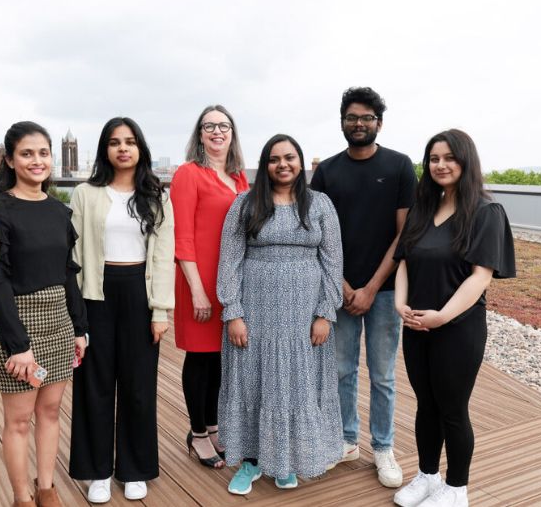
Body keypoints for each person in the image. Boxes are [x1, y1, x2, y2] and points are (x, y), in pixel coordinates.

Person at [392, 129, 515, 507]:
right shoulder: (423, 209)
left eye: (449, 157)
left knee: (452, 410)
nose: (440, 165)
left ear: (466, 161)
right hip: (416, 326)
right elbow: (404, 262)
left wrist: (442, 317)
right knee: (425, 405)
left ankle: (456, 489)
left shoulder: (485, 211)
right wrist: (400, 305)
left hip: (458, 329)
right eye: (433, 158)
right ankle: (428, 477)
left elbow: (481, 276)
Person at [217, 134, 344, 495]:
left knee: (296, 386)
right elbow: (229, 260)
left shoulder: (320, 205)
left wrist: (325, 312)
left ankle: (286, 461)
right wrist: (233, 312)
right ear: (265, 164)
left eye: (289, 157)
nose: (282, 164)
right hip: (254, 314)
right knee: (254, 384)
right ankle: (251, 461)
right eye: (274, 159)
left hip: (304, 318)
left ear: (300, 162)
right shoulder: (245, 204)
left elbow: (333, 260)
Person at [0, 121, 88, 507]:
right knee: (19, 420)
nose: (37, 161)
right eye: (26, 153)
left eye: (43, 153)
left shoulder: (58, 211)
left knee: (51, 411)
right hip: (16, 324)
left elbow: (68, 272)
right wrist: (18, 345)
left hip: (58, 322)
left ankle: (46, 489)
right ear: (9, 159)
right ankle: (22, 498)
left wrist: (79, 327)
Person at [310, 86, 417, 488]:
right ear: (342, 122)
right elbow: (316, 234)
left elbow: (404, 234)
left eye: (367, 118)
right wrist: (342, 285)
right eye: (352, 117)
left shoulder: (400, 166)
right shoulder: (327, 172)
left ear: (379, 123)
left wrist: (371, 288)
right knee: (340, 370)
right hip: (338, 290)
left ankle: (384, 447)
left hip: (385, 292)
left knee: (384, 374)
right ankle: (346, 439)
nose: (359, 124)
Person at [68, 117, 174, 502]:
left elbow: (163, 256)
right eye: (114, 143)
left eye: (130, 142)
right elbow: (75, 254)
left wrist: (160, 310)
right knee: (94, 383)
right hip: (96, 294)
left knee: (139, 384)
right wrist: (76, 311)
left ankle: (134, 469)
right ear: (105, 150)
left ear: (140, 149)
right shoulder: (85, 194)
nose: (123, 148)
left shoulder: (157, 196)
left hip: (139, 294)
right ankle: (97, 471)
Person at [171, 105, 250, 469]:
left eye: (223, 125)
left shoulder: (240, 180)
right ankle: (198, 433)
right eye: (209, 126)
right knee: (200, 357)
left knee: (220, 359)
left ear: (232, 133)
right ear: (199, 134)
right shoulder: (189, 174)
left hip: (231, 284)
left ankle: (215, 427)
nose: (217, 131)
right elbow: (182, 235)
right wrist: (198, 289)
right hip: (198, 282)